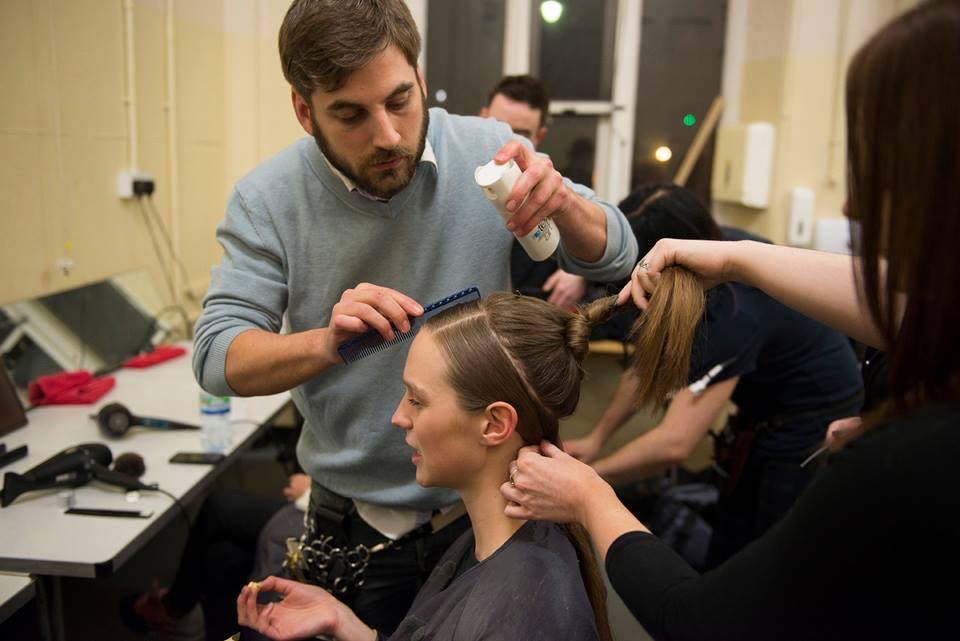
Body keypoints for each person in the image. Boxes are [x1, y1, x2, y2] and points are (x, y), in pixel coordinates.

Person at [501, 2, 960, 638]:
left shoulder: (742, 317)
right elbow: (919, 312)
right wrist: (599, 438)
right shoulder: (736, 264)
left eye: (877, 173)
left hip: (793, 446)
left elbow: (703, 618)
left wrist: (586, 492)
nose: (852, 204)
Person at [193, 0, 637, 633]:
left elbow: (616, 249)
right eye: (350, 114)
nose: (388, 135)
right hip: (355, 528)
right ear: (303, 109)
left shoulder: (485, 149)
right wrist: (326, 344)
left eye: (401, 100)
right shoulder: (267, 201)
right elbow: (217, 357)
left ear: (420, 77)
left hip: (487, 512)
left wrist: (563, 203)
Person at [237, 293, 615, 641]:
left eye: (417, 400)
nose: (398, 417)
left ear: (494, 425)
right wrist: (344, 622)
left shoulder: (523, 610)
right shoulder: (492, 548)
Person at [565, 183, 864, 566]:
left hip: (814, 425)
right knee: (731, 534)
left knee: (761, 554)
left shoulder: (736, 313)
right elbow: (646, 366)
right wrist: (596, 437)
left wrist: (588, 482)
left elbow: (674, 444)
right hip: (762, 414)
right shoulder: (719, 249)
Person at [123, 474, 311, 641]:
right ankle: (221, 634)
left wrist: (310, 491)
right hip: (319, 503)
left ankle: (174, 607)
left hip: (323, 516)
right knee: (224, 556)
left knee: (218, 506)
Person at [480, 75, 588, 310]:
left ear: (539, 137)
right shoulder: (457, 184)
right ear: (481, 118)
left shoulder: (558, 190)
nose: (507, 144)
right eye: (496, 128)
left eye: (520, 135)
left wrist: (581, 275)